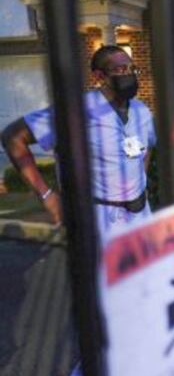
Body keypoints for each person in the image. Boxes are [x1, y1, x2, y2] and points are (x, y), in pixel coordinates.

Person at [1, 45, 156, 242]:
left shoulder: (141, 110)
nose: (129, 74)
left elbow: (148, 145)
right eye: (120, 69)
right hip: (99, 220)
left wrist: (139, 179)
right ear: (99, 76)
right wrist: (47, 196)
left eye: (132, 69)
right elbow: (13, 137)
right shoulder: (78, 110)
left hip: (141, 214)